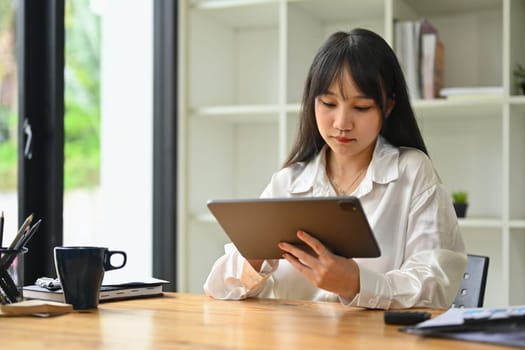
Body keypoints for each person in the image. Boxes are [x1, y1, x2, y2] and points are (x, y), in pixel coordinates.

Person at [203, 28, 467, 309]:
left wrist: (356, 283)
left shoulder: (412, 173)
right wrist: (255, 257)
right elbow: (217, 287)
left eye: (361, 107)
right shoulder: (288, 183)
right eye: (328, 103)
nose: (342, 123)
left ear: (388, 105)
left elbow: (436, 287)